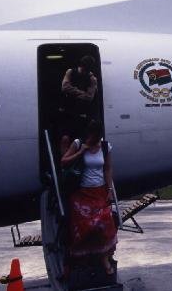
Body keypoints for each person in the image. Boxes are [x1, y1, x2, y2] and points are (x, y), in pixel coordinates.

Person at [61, 119, 117, 275]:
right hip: (82, 193)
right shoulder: (79, 144)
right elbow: (63, 161)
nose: (95, 140)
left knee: (106, 225)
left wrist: (110, 188)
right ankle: (80, 259)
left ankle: (104, 258)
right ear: (88, 133)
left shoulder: (105, 146)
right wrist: (80, 152)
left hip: (99, 191)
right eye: (93, 136)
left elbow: (107, 169)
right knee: (84, 228)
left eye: (97, 136)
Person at [59, 55, 99, 140]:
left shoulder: (92, 79)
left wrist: (72, 92)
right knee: (65, 138)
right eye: (84, 69)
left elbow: (89, 97)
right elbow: (65, 87)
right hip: (67, 111)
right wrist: (80, 92)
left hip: (81, 113)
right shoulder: (70, 72)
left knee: (80, 139)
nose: (85, 72)